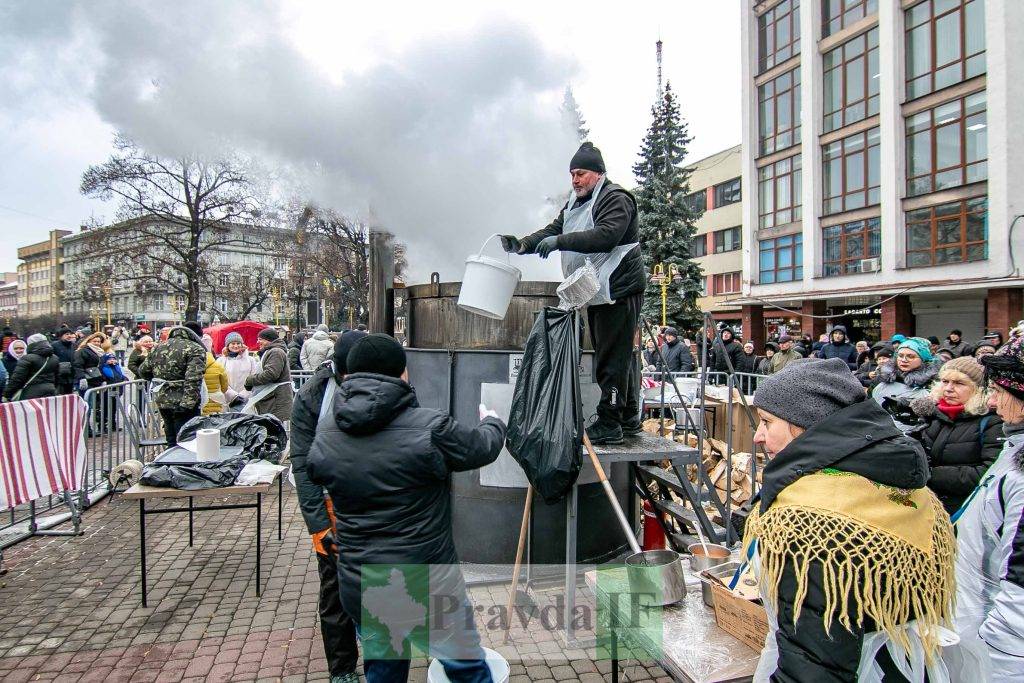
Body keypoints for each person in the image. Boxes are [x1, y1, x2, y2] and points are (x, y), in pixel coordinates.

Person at [307, 334, 505, 683]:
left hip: (362, 581)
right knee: (466, 671)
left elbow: (315, 470)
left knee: (383, 671)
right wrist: (493, 420)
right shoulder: (429, 428)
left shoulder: (326, 433)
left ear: (348, 376)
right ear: (403, 374)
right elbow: (481, 448)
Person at [745, 358, 955, 681]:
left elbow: (813, 665)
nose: (758, 436)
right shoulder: (915, 495)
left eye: (766, 422)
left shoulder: (810, 523)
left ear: (802, 424)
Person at [500, 142, 644, 445]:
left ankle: (610, 423)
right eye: (572, 175)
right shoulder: (576, 204)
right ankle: (628, 417)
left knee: (612, 358)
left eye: (580, 174)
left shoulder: (615, 198)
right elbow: (554, 229)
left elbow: (607, 235)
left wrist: (561, 242)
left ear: (597, 173)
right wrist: (523, 244)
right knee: (616, 354)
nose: (575, 180)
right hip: (599, 290)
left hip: (619, 288)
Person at [290, 330, 367, 683]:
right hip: (331, 505)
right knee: (335, 587)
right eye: (349, 374)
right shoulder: (312, 396)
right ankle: (342, 668)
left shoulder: (378, 383)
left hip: (373, 504)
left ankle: (384, 661)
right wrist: (318, 525)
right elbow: (302, 463)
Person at [952, 335, 1024, 681]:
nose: (992, 402)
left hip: (1004, 648)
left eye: (1000, 392)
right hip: (979, 620)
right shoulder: (1013, 449)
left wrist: (998, 646)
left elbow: (1020, 577)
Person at [906, 356, 1002, 516]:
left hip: (966, 513)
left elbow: (990, 473)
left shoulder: (992, 421)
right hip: (926, 508)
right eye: (945, 381)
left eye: (959, 383)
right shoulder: (933, 415)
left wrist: (930, 474)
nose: (949, 388)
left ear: (979, 389)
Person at [137, 323, 207, 448]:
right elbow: (194, 378)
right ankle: (182, 465)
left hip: (163, 398)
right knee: (187, 442)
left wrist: (160, 380)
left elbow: (143, 370)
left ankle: (170, 463)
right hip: (185, 400)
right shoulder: (195, 348)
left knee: (171, 438)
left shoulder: (158, 347)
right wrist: (188, 404)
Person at [870, 336, 942, 432]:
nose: (904, 360)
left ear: (924, 358)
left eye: (911, 356)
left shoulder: (936, 383)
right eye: (900, 355)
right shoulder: (883, 378)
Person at [243, 328, 292, 423]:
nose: (258, 342)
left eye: (260, 339)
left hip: (276, 400)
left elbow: (271, 374)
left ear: (269, 340)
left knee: (274, 429)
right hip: (272, 398)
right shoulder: (272, 351)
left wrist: (250, 380)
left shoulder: (276, 352)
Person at [3, 334, 58, 402]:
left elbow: (17, 379)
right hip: (51, 390)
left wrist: (6, 395)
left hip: (31, 393)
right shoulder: (54, 358)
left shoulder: (27, 358)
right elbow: (57, 376)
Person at [216, 331, 259, 407]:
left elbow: (254, 377)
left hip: (247, 399)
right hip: (227, 400)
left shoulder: (251, 360)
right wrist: (232, 395)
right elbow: (219, 380)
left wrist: (245, 393)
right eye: (233, 343)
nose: (236, 346)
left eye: (238, 343)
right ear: (228, 345)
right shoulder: (221, 361)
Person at [201, 351, 229, 415]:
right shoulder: (218, 366)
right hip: (216, 399)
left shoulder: (192, 366)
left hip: (200, 401)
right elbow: (224, 387)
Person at [51, 327, 77, 394]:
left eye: (70, 334)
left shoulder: (73, 345)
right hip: (59, 377)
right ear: (61, 336)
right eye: (66, 334)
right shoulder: (54, 345)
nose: (69, 336)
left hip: (71, 376)